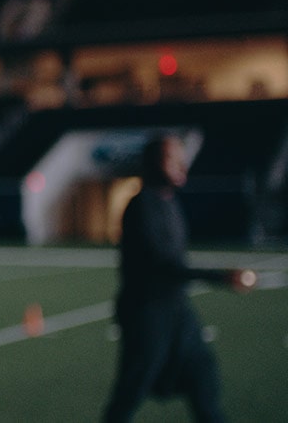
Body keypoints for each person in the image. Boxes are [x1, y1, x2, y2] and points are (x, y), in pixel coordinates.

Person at [103, 134, 255, 422]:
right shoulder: (142, 206)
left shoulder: (168, 202)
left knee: (203, 376)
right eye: (172, 159)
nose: (182, 166)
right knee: (129, 395)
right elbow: (164, 264)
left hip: (176, 309)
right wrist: (220, 277)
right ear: (152, 163)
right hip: (146, 313)